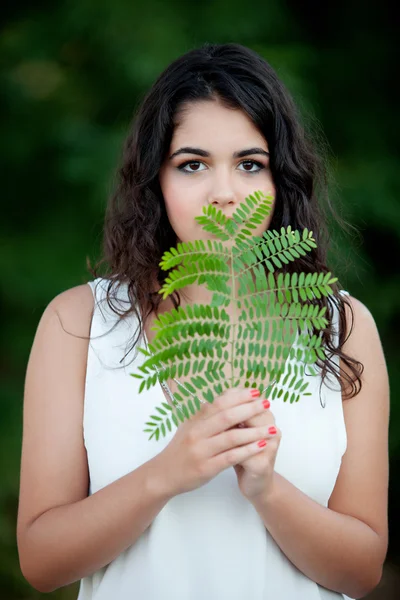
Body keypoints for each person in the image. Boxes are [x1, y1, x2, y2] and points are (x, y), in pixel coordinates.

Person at [16, 43, 389, 599]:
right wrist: (165, 474)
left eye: (249, 164)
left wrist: (267, 489)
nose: (224, 194)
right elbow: (42, 562)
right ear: (154, 180)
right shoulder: (79, 323)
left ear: (279, 179)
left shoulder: (343, 326)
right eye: (192, 164)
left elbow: (362, 571)